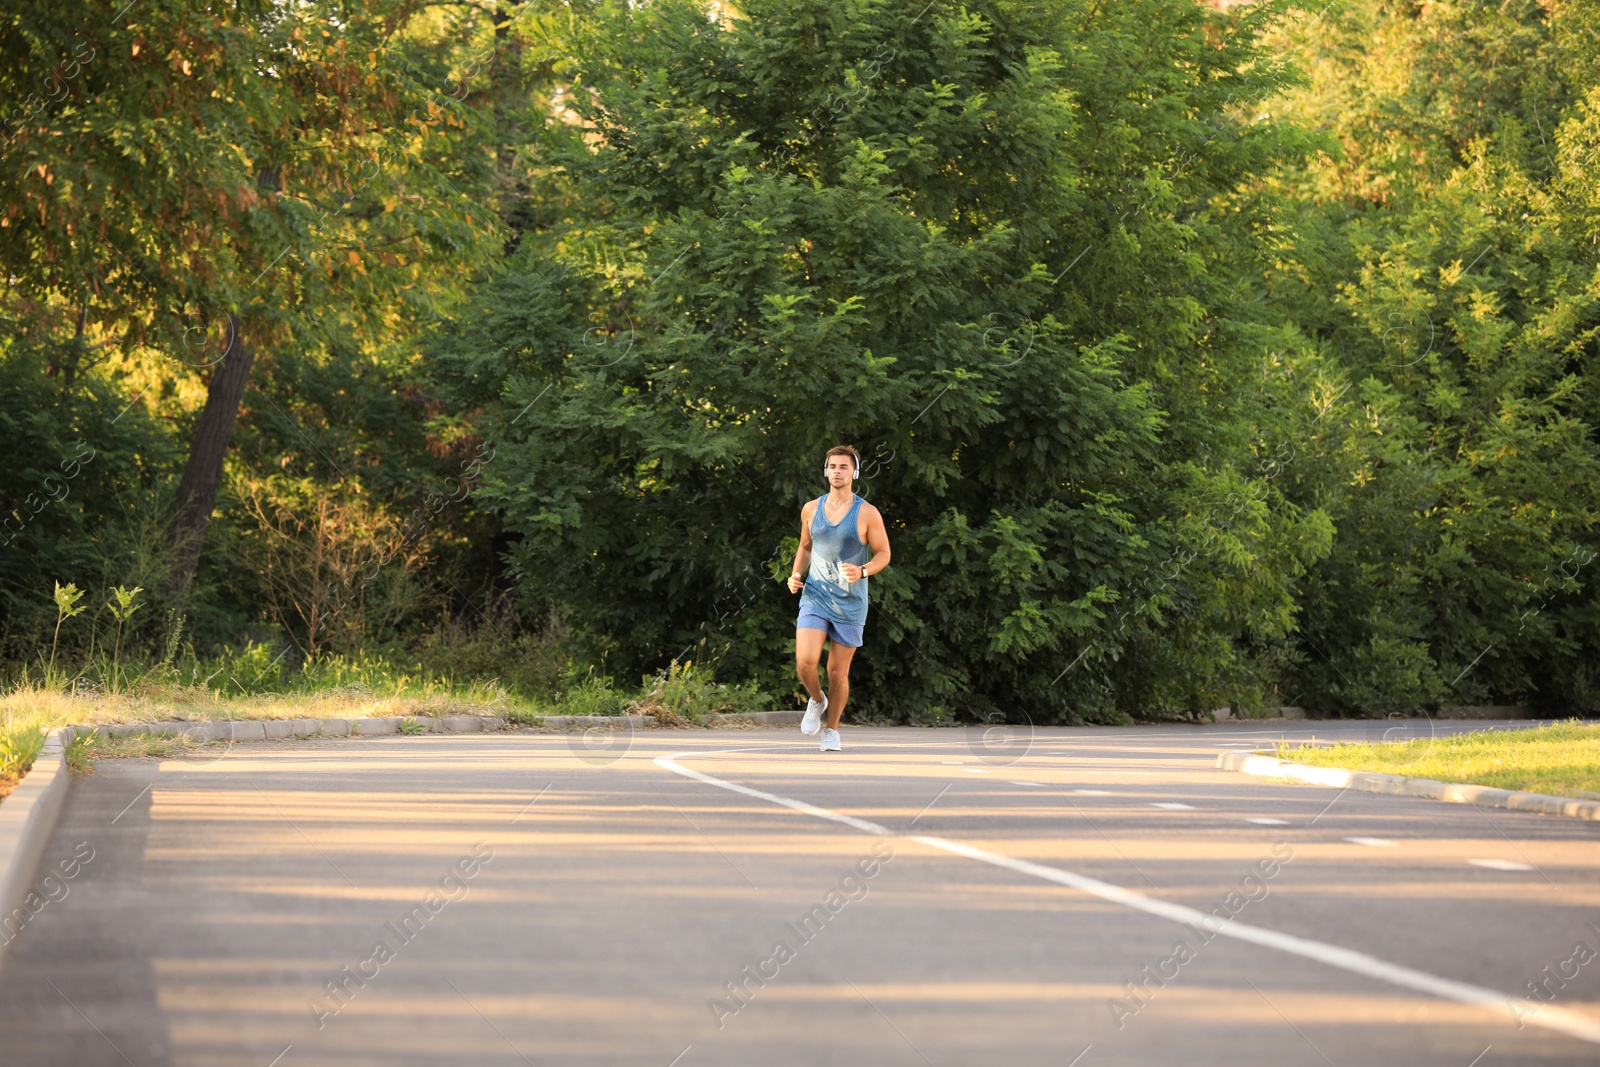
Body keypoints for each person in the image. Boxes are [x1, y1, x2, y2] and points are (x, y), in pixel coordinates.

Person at [786, 445, 892, 752]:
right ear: (826, 470)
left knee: (836, 672)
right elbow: (805, 546)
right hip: (816, 595)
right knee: (805, 662)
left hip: (850, 603)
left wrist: (863, 570)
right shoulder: (810, 509)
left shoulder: (867, 512)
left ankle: (831, 729)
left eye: (844, 467)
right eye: (832, 466)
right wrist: (796, 574)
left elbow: (884, 552)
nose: (837, 471)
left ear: (854, 473)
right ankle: (817, 700)